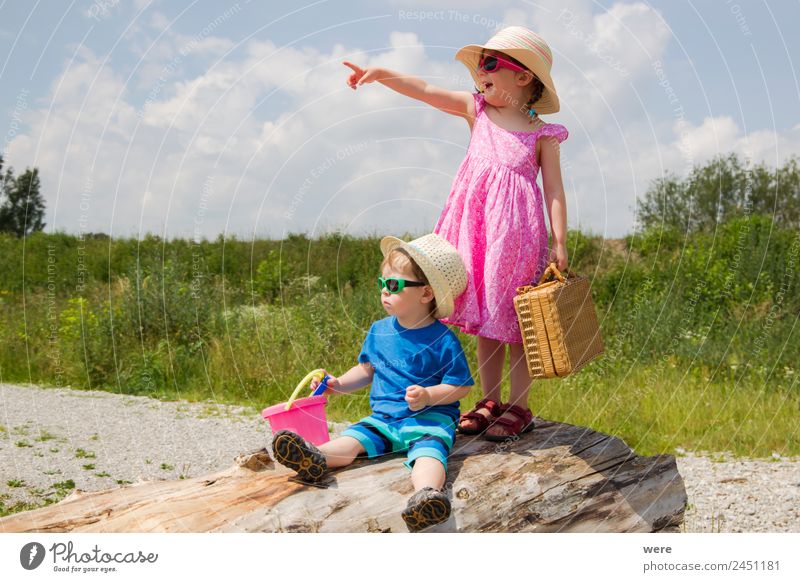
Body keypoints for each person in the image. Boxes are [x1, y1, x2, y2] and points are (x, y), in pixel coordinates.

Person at [342, 26, 570, 440]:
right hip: (478, 230)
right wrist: (381, 73)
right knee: (486, 319)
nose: (480, 72)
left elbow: (553, 189)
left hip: (518, 234)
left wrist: (560, 242)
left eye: (490, 64)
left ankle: (519, 406)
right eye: (480, 64)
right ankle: (490, 399)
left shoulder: (542, 134)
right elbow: (426, 89)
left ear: (522, 76)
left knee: (516, 322)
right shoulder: (478, 110)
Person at [271, 233, 474, 532]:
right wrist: (337, 383)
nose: (384, 291)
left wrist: (430, 395)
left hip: (429, 419)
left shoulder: (442, 339)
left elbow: (461, 385)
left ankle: (426, 496)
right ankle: (314, 457)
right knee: (352, 440)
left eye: (393, 285)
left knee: (429, 454)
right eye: (381, 283)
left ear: (426, 294)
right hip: (384, 419)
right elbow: (366, 370)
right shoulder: (379, 331)